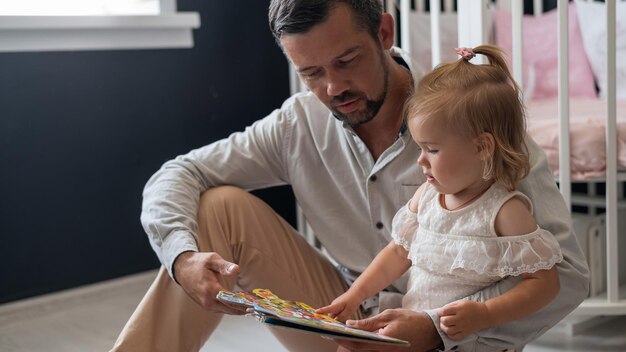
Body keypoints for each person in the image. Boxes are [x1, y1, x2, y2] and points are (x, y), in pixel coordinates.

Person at [111, 1, 589, 351]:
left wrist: (438, 330)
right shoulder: (296, 124)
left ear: (384, 32)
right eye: (312, 73)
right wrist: (181, 258)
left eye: (346, 62)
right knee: (219, 207)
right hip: (343, 315)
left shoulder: (477, 124)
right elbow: (180, 172)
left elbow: (565, 276)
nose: (334, 88)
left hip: (452, 331)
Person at [317, 45, 564, 348]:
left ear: (482, 147)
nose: (421, 160)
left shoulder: (503, 210)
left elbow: (545, 284)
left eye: (432, 149)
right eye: (420, 148)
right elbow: (397, 253)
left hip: (467, 341)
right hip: (414, 329)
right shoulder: (427, 196)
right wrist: (355, 295)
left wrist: (485, 313)